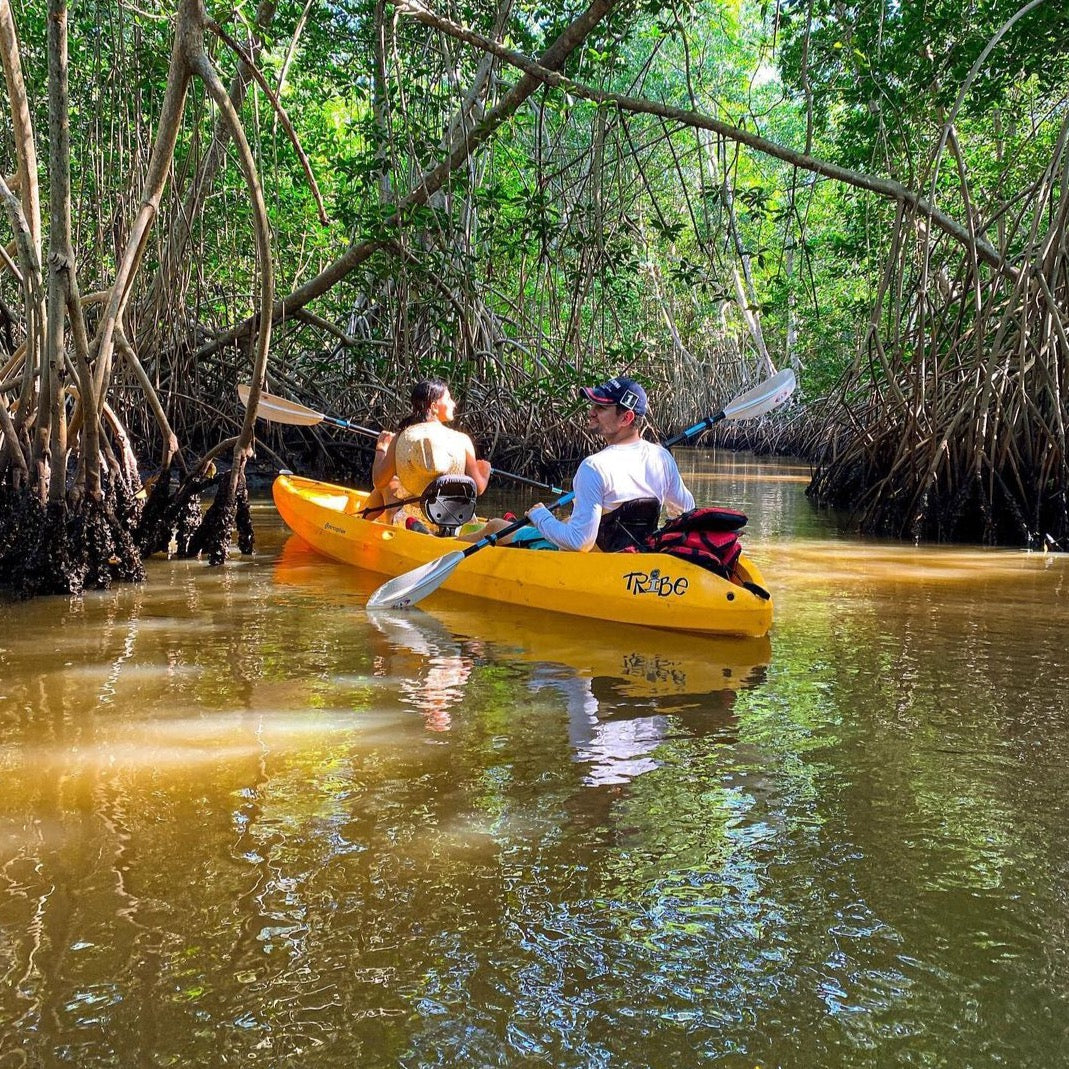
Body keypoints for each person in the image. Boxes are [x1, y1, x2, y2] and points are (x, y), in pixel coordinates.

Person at [523, 375, 694, 551]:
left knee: (495, 526)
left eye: (601, 407)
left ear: (626, 418)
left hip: (597, 562)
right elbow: (687, 510)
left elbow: (579, 542)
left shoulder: (593, 466)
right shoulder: (661, 457)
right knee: (567, 520)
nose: (591, 412)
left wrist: (541, 516)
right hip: (639, 559)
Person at [371, 378, 490, 527]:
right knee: (391, 486)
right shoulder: (463, 440)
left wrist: (381, 447)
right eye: (448, 398)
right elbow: (478, 489)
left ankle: (359, 525)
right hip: (456, 521)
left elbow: (379, 481)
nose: (453, 403)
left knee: (388, 485)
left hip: (411, 521)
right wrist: (485, 473)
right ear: (433, 407)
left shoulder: (403, 437)